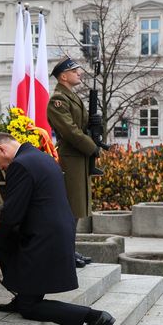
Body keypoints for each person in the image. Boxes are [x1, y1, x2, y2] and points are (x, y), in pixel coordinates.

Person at [0, 132, 115, 325]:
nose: (0, 167)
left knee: (30, 307)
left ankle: (94, 317)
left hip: (43, 240)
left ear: (1, 150)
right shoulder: (42, 157)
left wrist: (2, 226)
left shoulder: (20, 165)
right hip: (54, 233)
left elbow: (13, 212)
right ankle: (21, 292)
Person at [46, 56, 100, 268]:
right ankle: (64, 252)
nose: (80, 73)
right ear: (63, 76)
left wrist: (94, 124)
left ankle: (69, 249)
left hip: (79, 158)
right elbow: (70, 131)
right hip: (71, 158)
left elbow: (80, 125)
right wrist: (91, 146)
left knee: (76, 209)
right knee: (70, 209)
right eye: (75, 70)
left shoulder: (70, 97)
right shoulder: (58, 100)